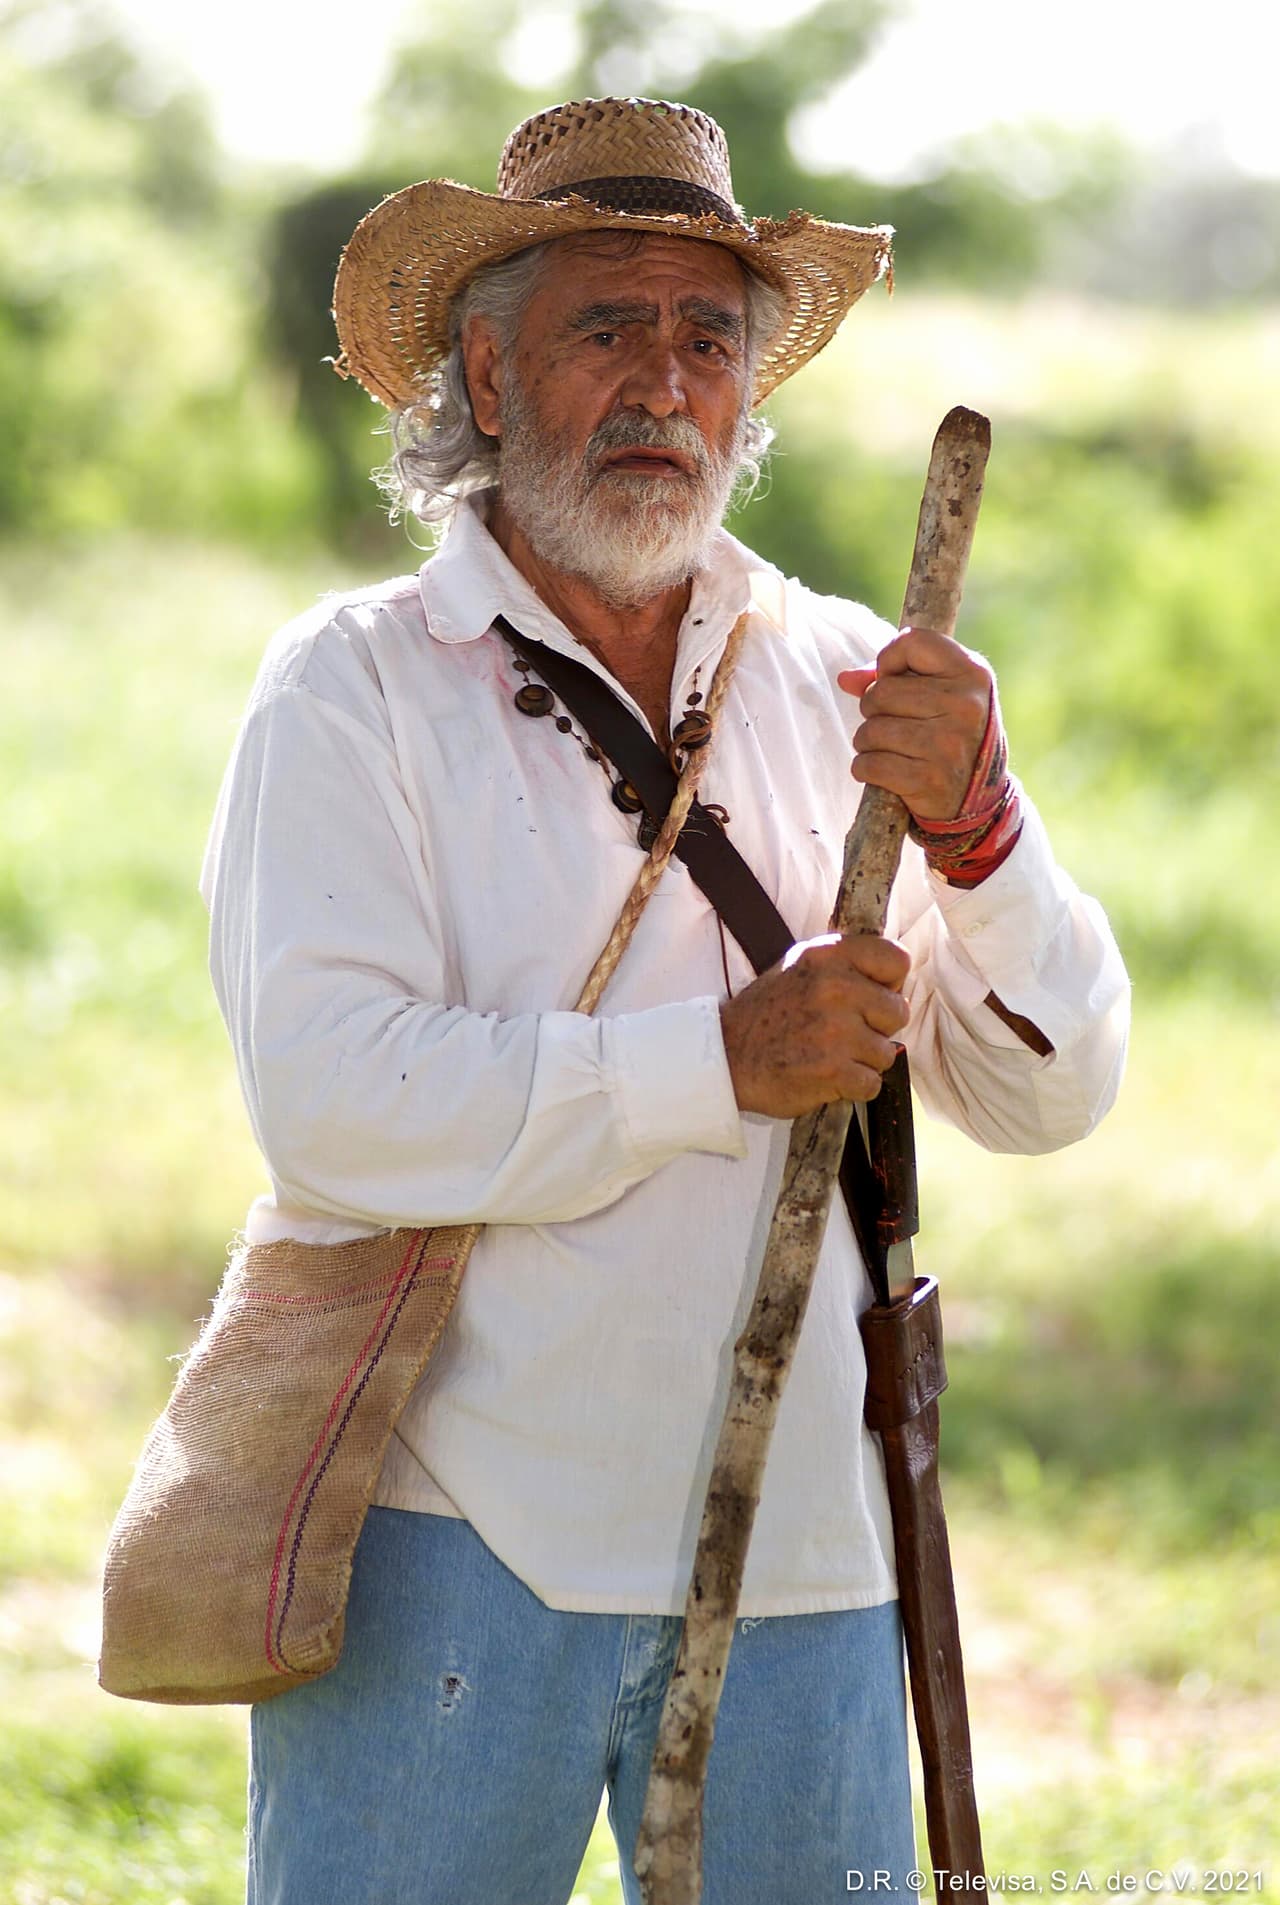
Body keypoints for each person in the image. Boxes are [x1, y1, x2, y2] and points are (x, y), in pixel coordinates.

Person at [203, 96, 1128, 1905]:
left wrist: (981, 827)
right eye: (603, 327)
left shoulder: (857, 677)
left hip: (813, 1554)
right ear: (481, 370)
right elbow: (329, 1098)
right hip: (451, 1539)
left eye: (709, 336)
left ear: (749, 393)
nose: (664, 382)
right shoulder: (352, 690)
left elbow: (1055, 1090)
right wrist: (721, 1062)